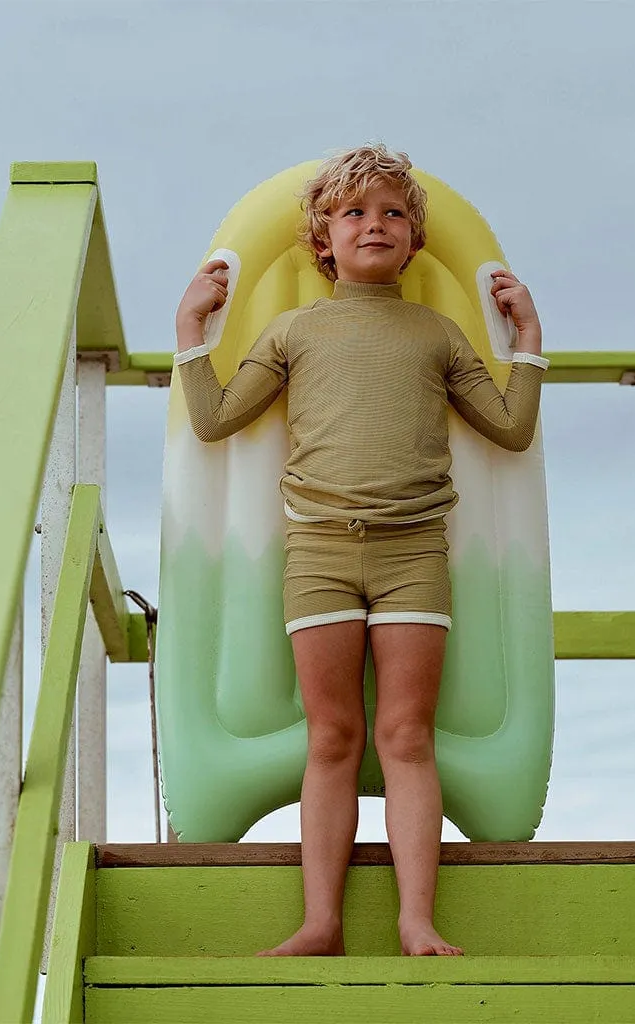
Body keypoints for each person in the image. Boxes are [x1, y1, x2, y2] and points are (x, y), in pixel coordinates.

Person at [173, 145, 548, 957]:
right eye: (353, 213)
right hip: (316, 553)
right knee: (332, 736)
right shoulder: (293, 329)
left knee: (406, 736)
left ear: (413, 239)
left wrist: (525, 340)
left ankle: (416, 920)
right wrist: (189, 328)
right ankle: (322, 923)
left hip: (414, 551)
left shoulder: (436, 332)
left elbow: (510, 430)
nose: (373, 224)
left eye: (392, 213)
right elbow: (213, 420)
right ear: (321, 240)